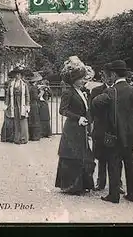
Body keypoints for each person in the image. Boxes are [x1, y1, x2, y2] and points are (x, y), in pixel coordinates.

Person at [92, 60, 133, 204]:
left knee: (113, 163)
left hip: (115, 133)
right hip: (131, 134)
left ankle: (114, 195)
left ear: (114, 74)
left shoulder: (110, 91)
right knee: (130, 163)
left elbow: (96, 103)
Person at [55, 56, 95, 195]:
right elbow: (62, 110)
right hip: (72, 128)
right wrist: (78, 118)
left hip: (81, 128)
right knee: (73, 155)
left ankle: (83, 184)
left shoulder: (82, 91)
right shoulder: (68, 91)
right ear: (74, 79)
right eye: (81, 78)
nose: (84, 80)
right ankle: (72, 186)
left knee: (83, 154)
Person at [89, 64, 124, 193]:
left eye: (110, 76)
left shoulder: (119, 90)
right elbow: (91, 110)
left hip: (115, 128)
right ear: (102, 76)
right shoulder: (96, 91)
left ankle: (117, 183)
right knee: (101, 157)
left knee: (117, 158)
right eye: (105, 76)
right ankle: (101, 181)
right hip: (100, 128)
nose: (108, 79)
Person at [5, 67, 30, 145]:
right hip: (14, 103)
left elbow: (27, 95)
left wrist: (27, 105)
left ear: (21, 75)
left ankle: (24, 138)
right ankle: (16, 138)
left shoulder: (24, 84)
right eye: (16, 74)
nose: (17, 75)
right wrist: (6, 104)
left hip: (21, 103)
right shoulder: (11, 84)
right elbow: (8, 95)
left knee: (23, 121)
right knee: (15, 121)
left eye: (19, 74)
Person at [1, 71, 16, 142]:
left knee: (8, 120)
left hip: (9, 103)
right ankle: (9, 137)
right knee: (10, 120)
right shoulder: (10, 84)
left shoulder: (8, 83)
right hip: (10, 103)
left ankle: (6, 137)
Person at [27, 72, 43, 141]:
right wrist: (41, 93)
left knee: (31, 120)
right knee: (35, 120)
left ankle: (31, 135)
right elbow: (36, 97)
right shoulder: (34, 88)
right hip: (34, 104)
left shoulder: (30, 87)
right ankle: (35, 136)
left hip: (30, 104)